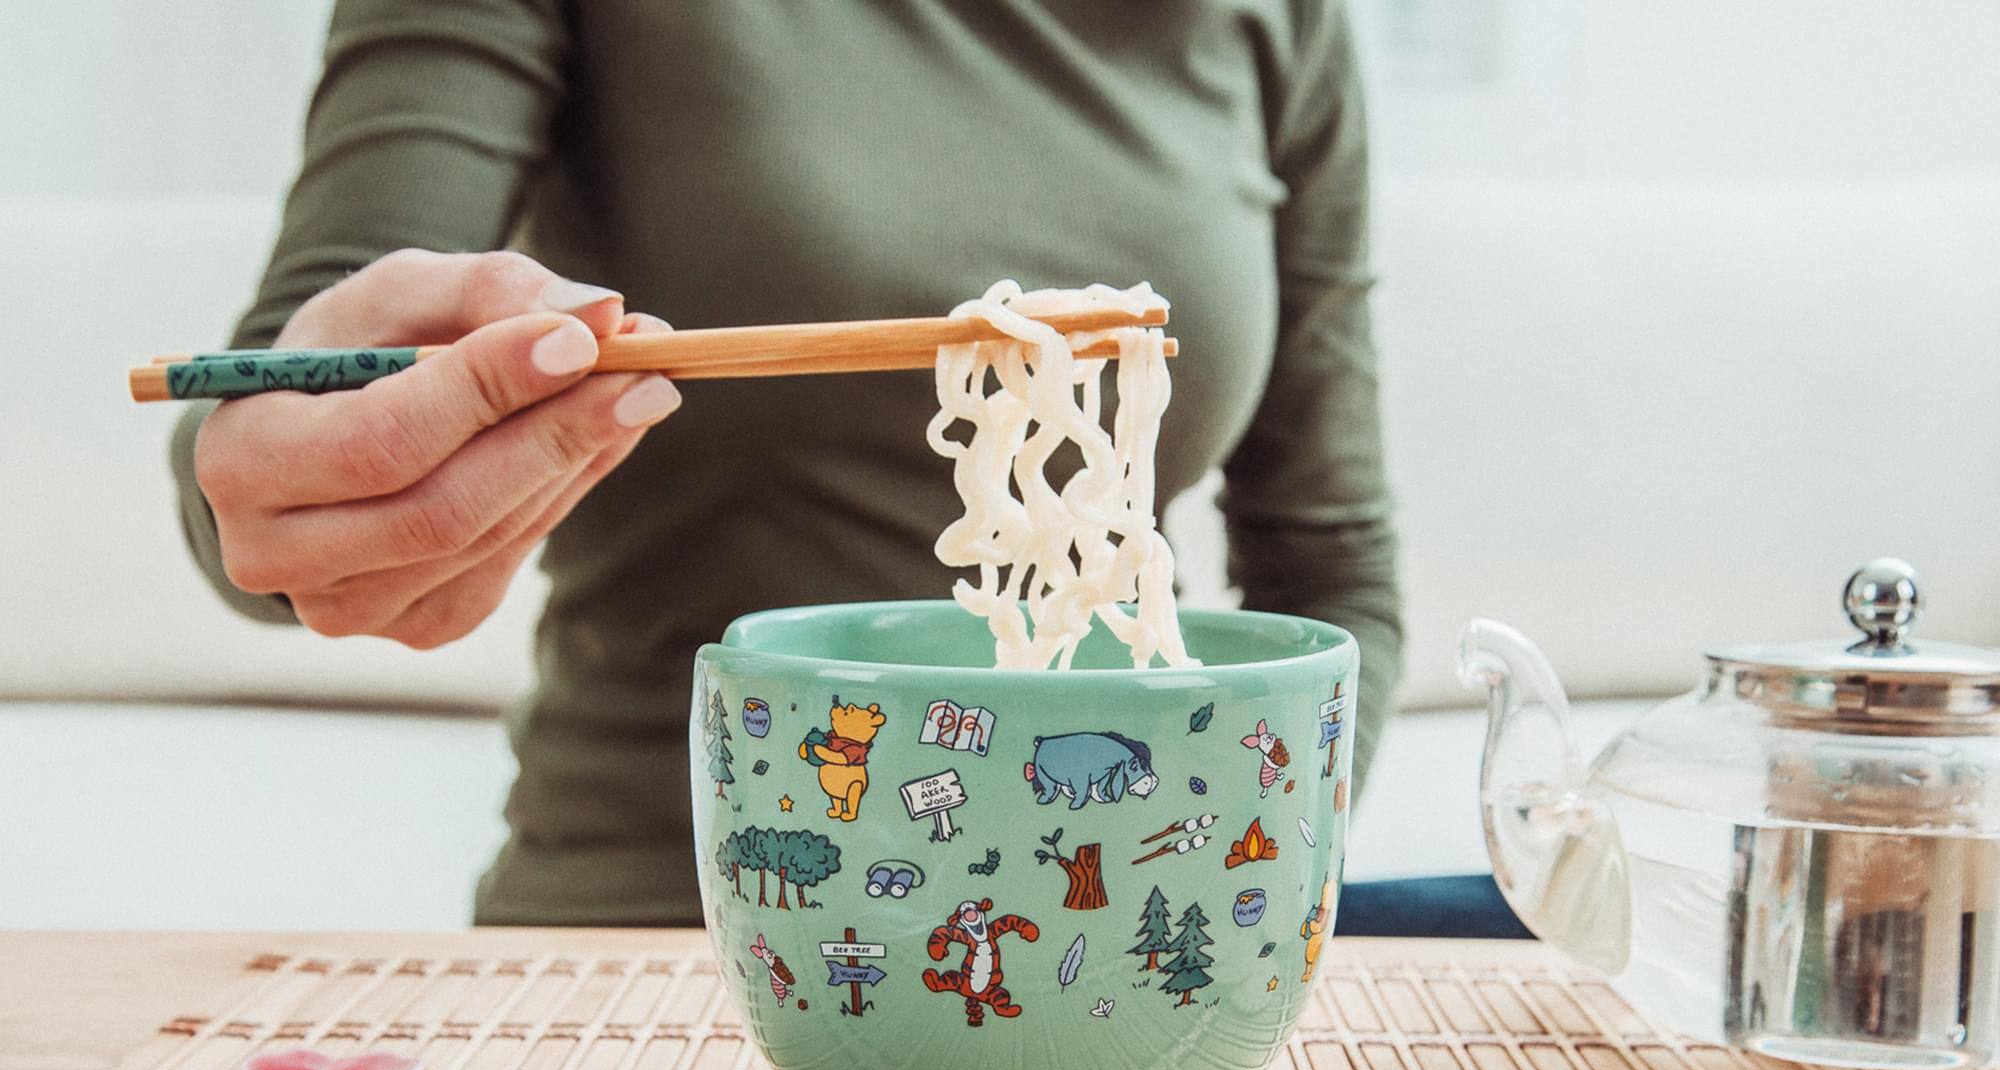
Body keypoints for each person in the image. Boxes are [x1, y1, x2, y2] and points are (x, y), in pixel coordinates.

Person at [173, 0, 1403, 927]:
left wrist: (1216, 873)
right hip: (659, 919)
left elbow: (1333, 565)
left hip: (1106, 930)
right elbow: (273, 417)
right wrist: (309, 492)